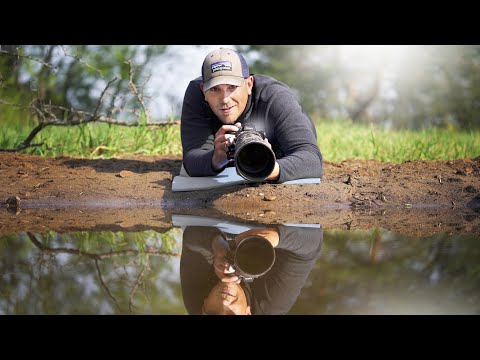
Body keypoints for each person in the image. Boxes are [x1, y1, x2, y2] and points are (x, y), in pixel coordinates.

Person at [180, 47, 323, 183]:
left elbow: (311, 158)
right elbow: (192, 158)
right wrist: (216, 158)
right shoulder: (195, 94)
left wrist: (268, 168)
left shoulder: (275, 97)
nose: (224, 99)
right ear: (203, 90)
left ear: (249, 84)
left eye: (232, 87)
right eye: (215, 89)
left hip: (281, 153)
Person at [180, 220, 323, 315]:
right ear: (248, 313)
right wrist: (276, 237)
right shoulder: (271, 306)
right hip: (274, 215)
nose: (224, 303)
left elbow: (191, 238)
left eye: (214, 314)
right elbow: (313, 243)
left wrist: (216, 245)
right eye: (231, 314)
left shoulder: (195, 302)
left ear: (204, 305)